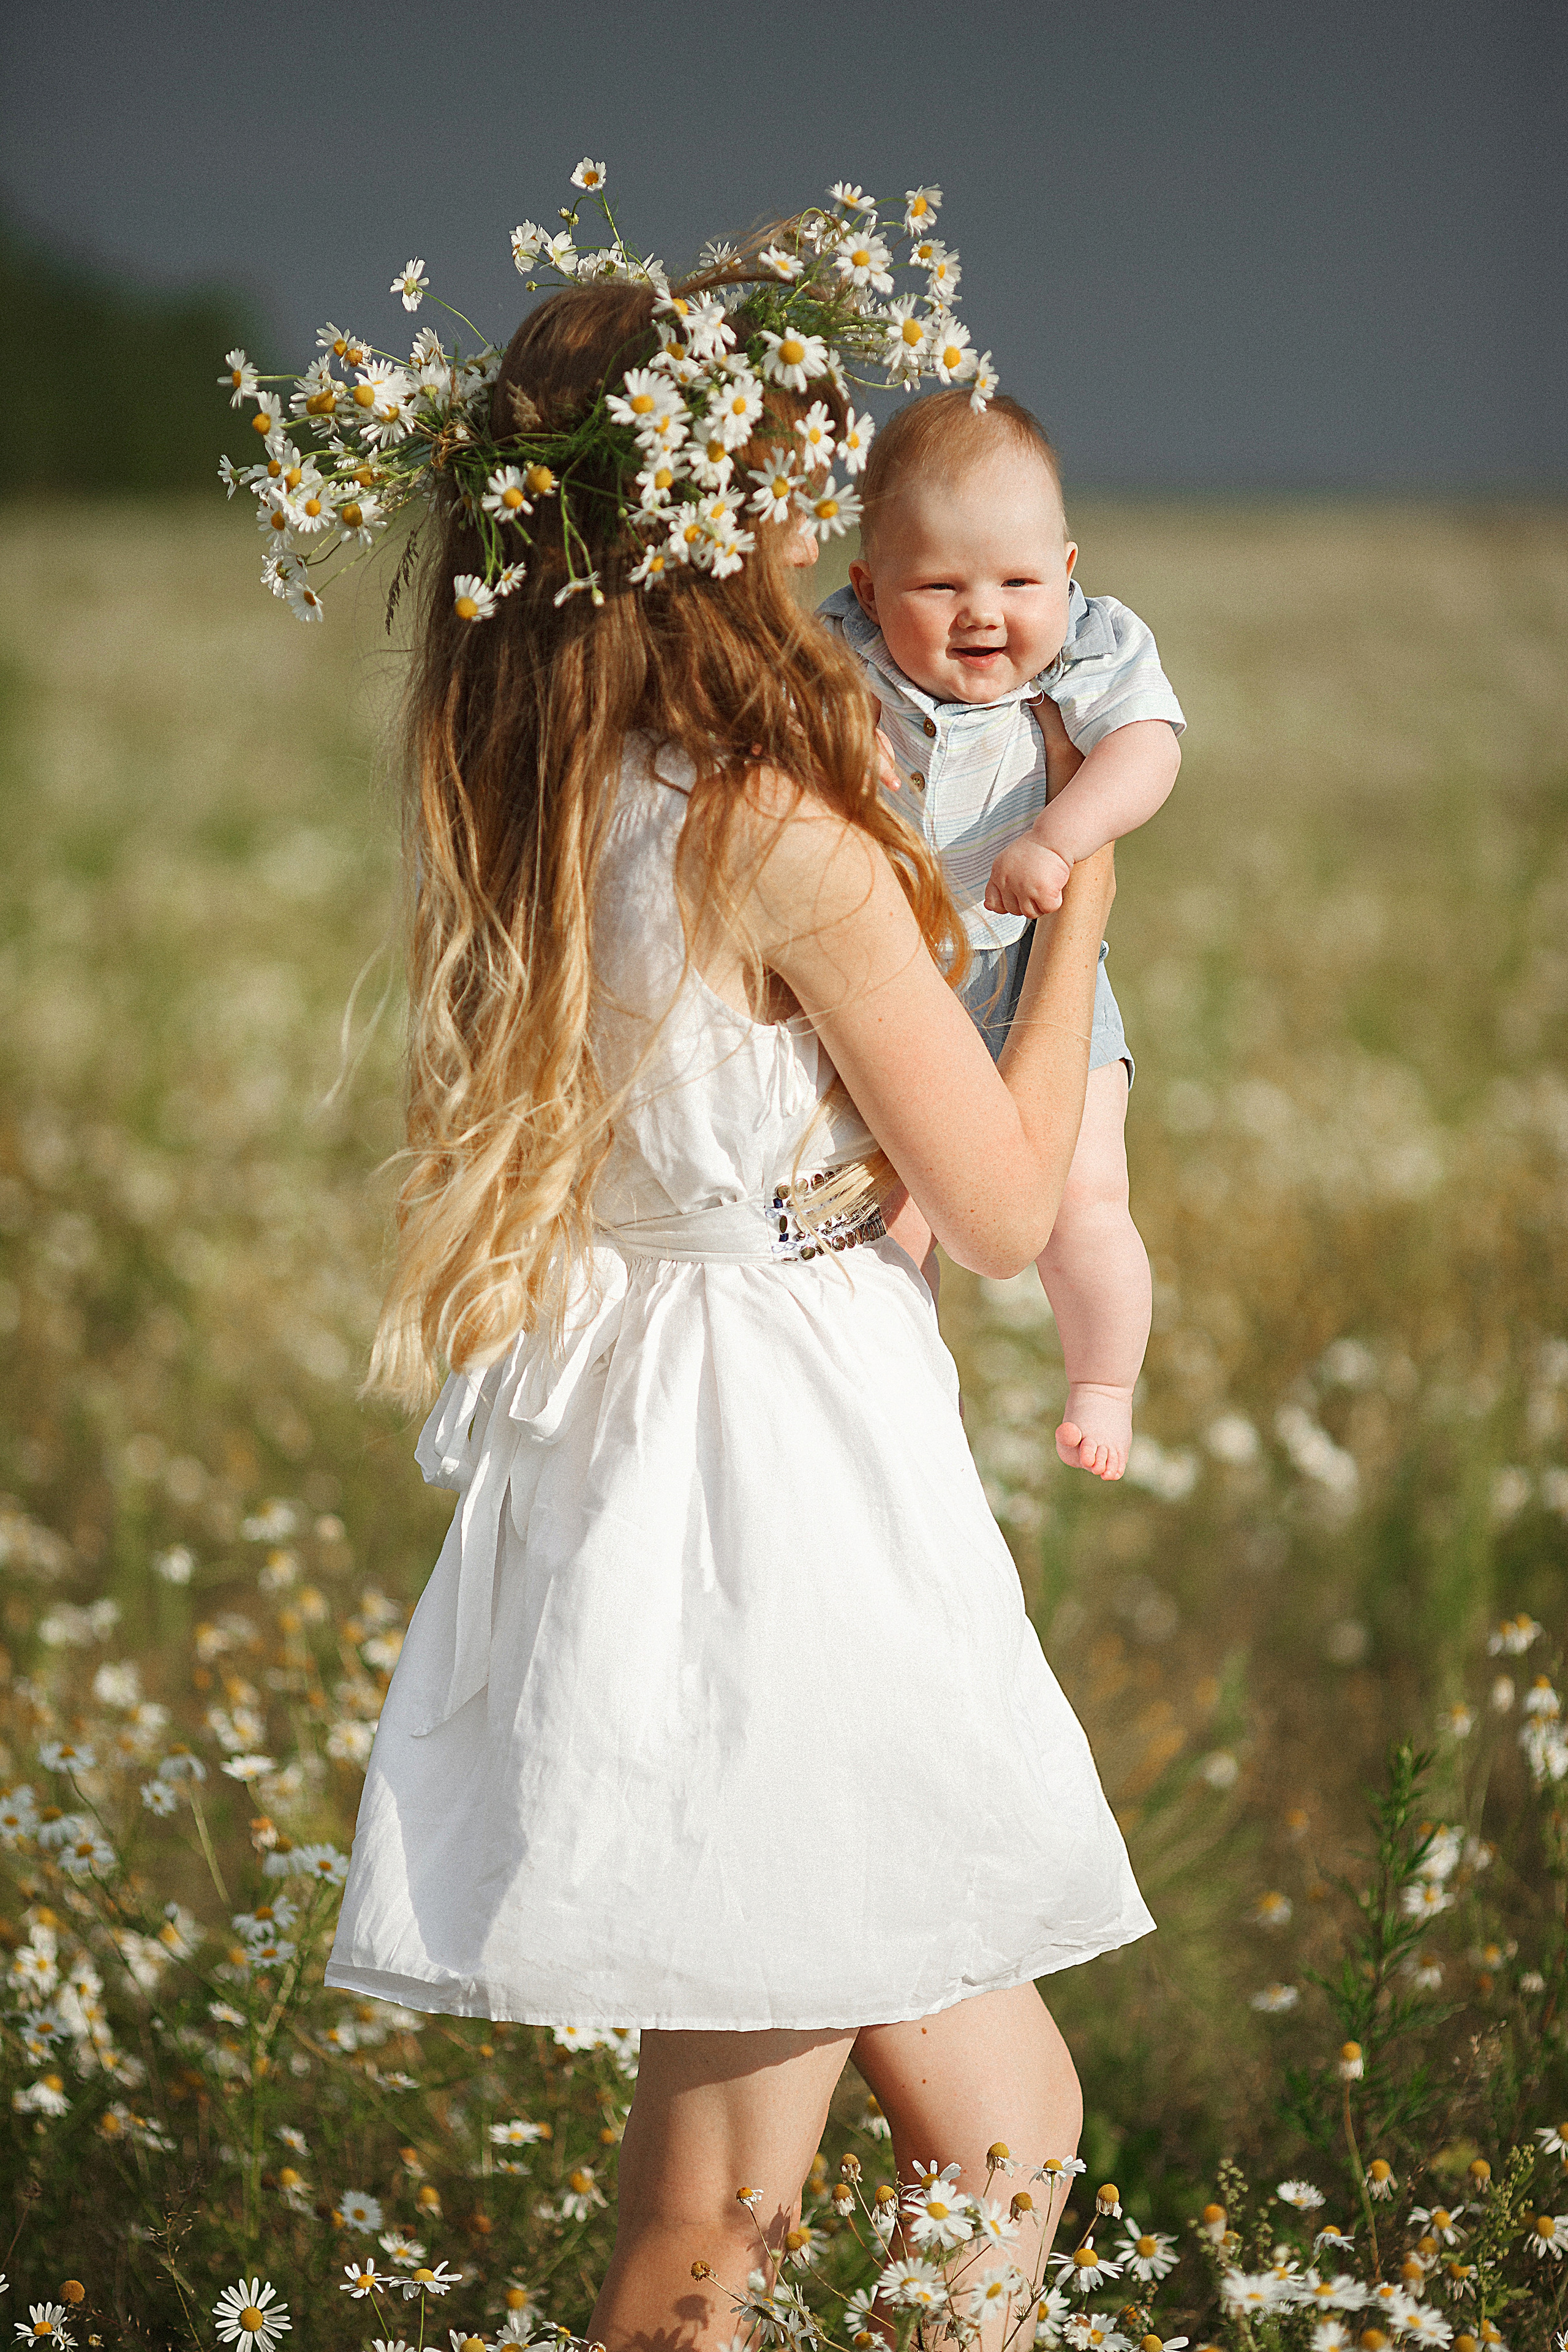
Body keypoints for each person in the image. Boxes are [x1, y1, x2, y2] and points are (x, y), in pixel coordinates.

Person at [318, 257, 1154, 2351]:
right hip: (781, 1488)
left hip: (660, 1434)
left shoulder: (541, 801)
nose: (818, 535)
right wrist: (1081, 931)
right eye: (788, 489)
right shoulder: (768, 824)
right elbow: (997, 1203)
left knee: (1002, 2122)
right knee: (722, 2222)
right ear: (727, 523)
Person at [820, 391, 1185, 1483]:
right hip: (900, 993)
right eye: (939, 586)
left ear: (1066, 571)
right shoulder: (842, 653)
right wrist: (825, 722)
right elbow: (779, 717)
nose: (985, 613)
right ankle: (902, 1398)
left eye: (1020, 583)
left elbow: (1150, 751)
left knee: (1083, 1200)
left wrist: (1059, 838)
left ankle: (1104, 1383)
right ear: (868, 588)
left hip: (1042, 981)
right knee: (888, 1225)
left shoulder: (1088, 647)